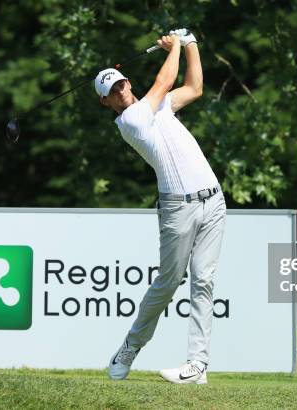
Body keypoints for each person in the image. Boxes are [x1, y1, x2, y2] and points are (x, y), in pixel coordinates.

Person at [95, 29, 226, 385]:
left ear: (127, 82)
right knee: (168, 283)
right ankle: (128, 350)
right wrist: (177, 46)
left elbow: (195, 87)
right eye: (112, 92)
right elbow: (165, 78)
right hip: (177, 208)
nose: (120, 91)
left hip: (213, 200)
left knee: (204, 282)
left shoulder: (161, 106)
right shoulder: (131, 121)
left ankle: (197, 366)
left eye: (121, 84)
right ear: (105, 102)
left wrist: (194, 42)